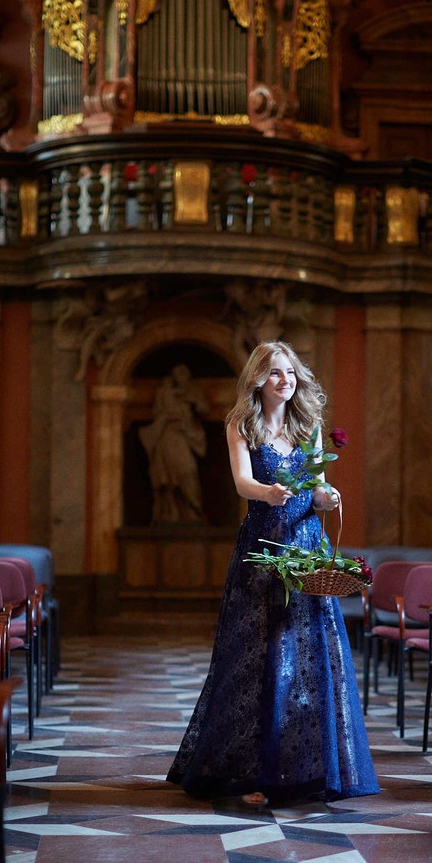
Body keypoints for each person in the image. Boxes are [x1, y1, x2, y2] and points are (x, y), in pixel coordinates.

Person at [167, 341, 379, 806]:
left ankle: (304, 771)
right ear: (258, 380)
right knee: (256, 658)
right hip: (262, 550)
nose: (286, 381)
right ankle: (250, 769)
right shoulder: (241, 424)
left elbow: (319, 490)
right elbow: (241, 481)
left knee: (308, 656)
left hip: (306, 551)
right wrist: (267, 493)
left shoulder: (309, 428)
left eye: (291, 373)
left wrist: (329, 498)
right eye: (276, 373)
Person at [139, 364, 208, 523]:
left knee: (189, 471)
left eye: (184, 374)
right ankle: (170, 514)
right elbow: (156, 413)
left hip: (187, 436)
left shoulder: (193, 392)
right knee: (169, 478)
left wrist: (194, 402)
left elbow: (204, 409)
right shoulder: (164, 393)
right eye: (178, 374)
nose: (181, 377)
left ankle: (194, 512)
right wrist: (169, 415)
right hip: (168, 436)